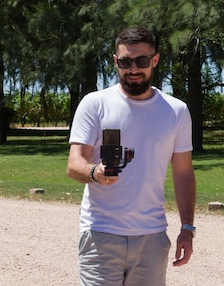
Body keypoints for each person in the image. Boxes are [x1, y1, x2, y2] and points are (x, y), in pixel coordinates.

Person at [66, 26, 197, 286]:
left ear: (155, 60)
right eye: (125, 62)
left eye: (141, 61)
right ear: (116, 61)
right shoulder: (95, 104)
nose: (133, 69)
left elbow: (183, 173)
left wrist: (187, 228)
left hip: (152, 236)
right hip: (100, 234)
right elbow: (74, 164)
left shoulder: (176, 111)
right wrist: (95, 173)